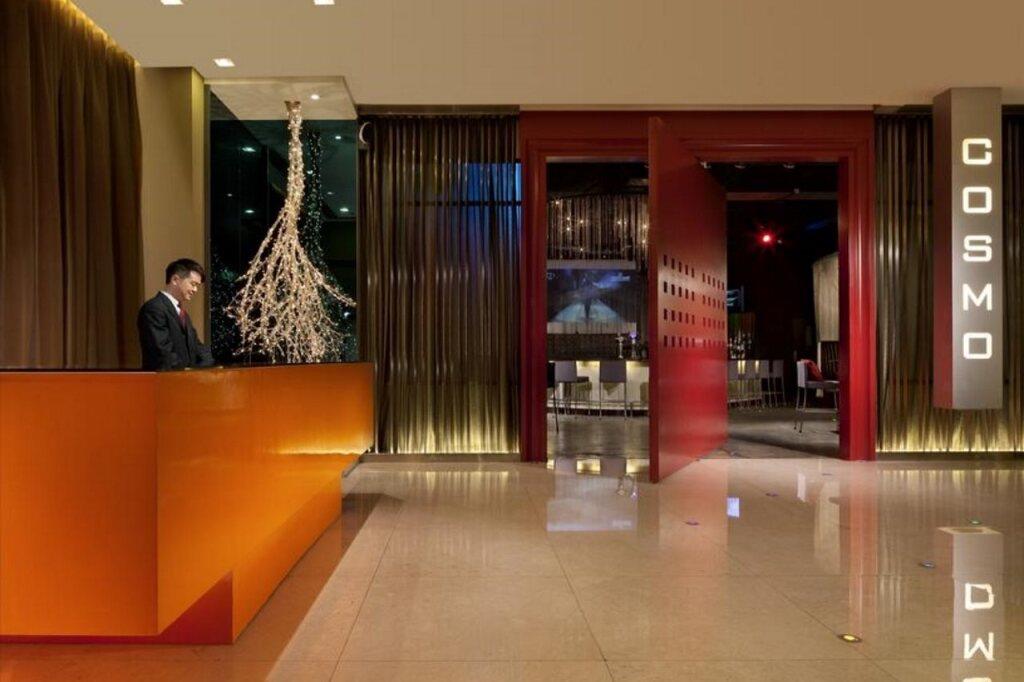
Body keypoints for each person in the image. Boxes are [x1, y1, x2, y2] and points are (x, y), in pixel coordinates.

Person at [137, 258, 215, 371]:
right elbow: (163, 352)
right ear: (175, 279)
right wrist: (188, 372)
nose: (195, 290)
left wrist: (207, 363)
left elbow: (197, 346)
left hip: (185, 378)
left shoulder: (183, 313)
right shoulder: (154, 309)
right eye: (193, 284)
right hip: (165, 379)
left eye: (197, 286)